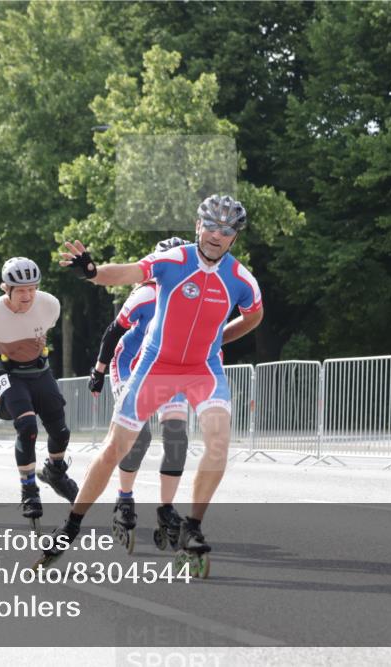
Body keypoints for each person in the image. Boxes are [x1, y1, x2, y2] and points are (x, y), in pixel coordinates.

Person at [42, 194, 263, 575]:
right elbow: (127, 272)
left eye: (226, 230)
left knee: (218, 440)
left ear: (234, 239)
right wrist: (93, 271)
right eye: (210, 225)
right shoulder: (174, 260)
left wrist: (218, 340)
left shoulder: (241, 278)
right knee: (116, 448)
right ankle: (71, 525)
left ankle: (191, 528)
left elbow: (254, 316)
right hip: (155, 366)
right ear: (197, 227)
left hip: (201, 369)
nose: (216, 235)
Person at [88, 237, 191, 553]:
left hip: (170, 371)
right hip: (131, 366)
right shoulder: (143, 294)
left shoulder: (192, 296)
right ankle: (124, 499)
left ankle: (167, 507)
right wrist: (98, 372)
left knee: (177, 437)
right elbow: (112, 332)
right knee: (140, 437)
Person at [0, 257, 79, 531]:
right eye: (20, 290)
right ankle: (29, 489)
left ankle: (55, 472)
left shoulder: (50, 304)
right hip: (8, 371)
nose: (28, 295)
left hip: (40, 370)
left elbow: (42, 333)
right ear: (5, 288)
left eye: (32, 288)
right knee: (28, 425)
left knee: (61, 431)